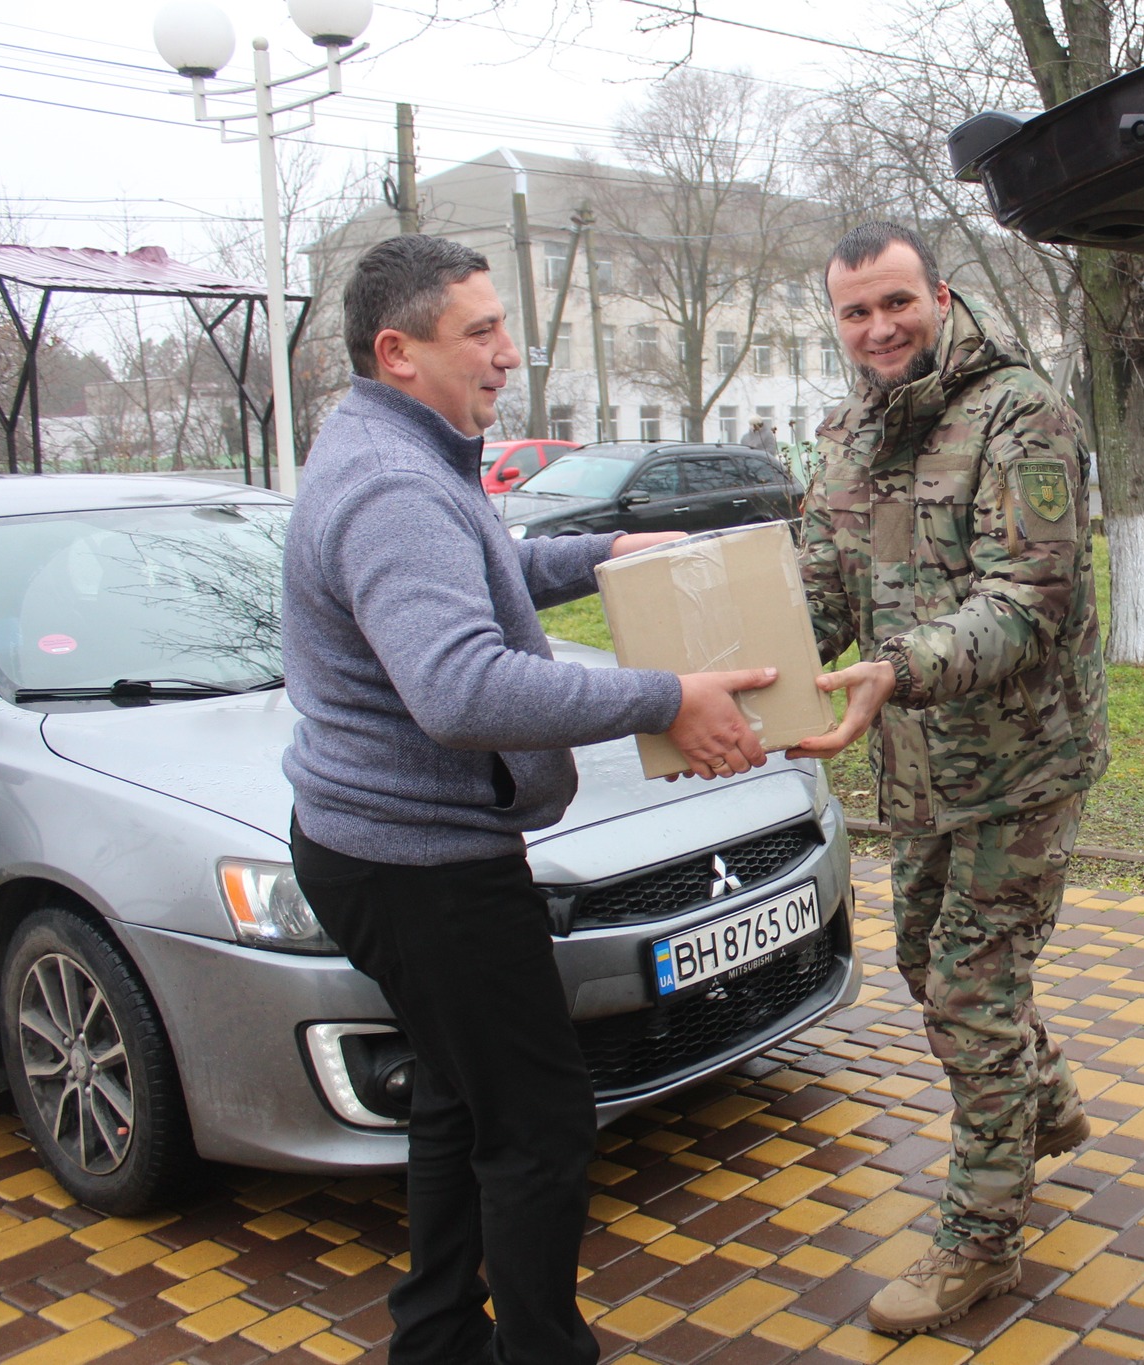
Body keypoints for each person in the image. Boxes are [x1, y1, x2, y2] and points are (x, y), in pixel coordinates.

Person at [281, 234, 776, 1365]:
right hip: (427, 870)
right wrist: (664, 698)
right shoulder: (395, 485)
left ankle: (438, 1339)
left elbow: (486, 570)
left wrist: (613, 554)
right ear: (398, 351)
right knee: (539, 1124)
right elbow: (458, 687)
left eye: (505, 326)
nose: (510, 353)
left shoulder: (399, 449)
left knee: (461, 1100)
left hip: (387, 848)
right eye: (482, 333)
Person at [789, 222, 1109, 1334]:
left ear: (939, 294)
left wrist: (896, 670)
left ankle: (978, 1242)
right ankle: (1043, 1100)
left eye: (895, 304)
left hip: (1021, 765)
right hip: (915, 763)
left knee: (970, 994)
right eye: (854, 312)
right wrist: (743, 676)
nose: (878, 329)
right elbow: (816, 591)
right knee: (926, 965)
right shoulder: (844, 433)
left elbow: (1032, 599)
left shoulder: (1020, 412)